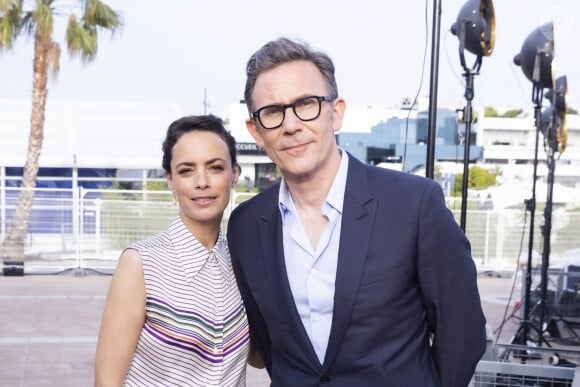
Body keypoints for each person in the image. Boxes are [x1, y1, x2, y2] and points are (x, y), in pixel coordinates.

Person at [227, 37, 487, 386]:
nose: (291, 125)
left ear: (336, 113)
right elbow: (271, 344)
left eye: (306, 103)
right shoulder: (246, 225)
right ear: (255, 131)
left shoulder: (414, 204)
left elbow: (463, 329)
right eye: (273, 112)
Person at [95, 115, 261, 386]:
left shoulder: (242, 261)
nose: (202, 182)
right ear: (171, 181)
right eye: (186, 170)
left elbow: (258, 357)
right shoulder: (141, 264)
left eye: (216, 167)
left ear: (234, 174)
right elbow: (106, 381)